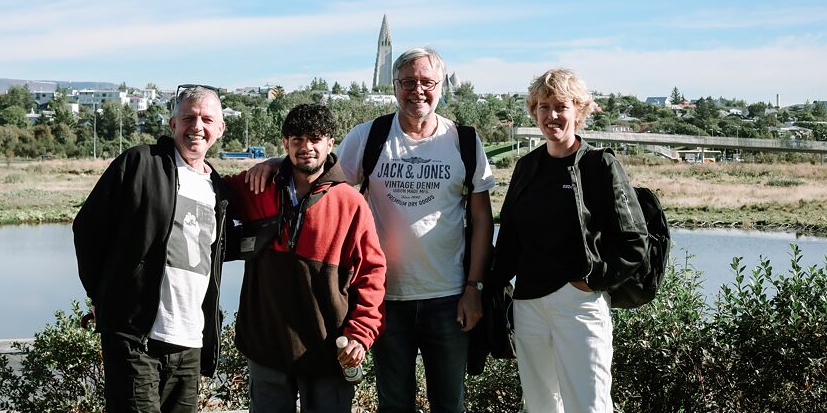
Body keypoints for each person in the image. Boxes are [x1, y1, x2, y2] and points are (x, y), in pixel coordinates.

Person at [247, 47, 495, 413]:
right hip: (386, 302)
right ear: (394, 86)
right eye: (408, 82)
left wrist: (473, 289)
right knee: (393, 404)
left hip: (448, 298)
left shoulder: (464, 141)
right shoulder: (371, 136)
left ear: (441, 85)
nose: (418, 90)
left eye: (427, 81)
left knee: (450, 404)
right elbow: (323, 181)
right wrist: (278, 162)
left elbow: (482, 221)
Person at [493, 69, 649, 413]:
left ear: (579, 110)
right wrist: (485, 289)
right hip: (529, 305)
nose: (552, 116)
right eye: (543, 106)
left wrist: (590, 282)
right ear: (534, 112)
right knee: (540, 405)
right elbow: (509, 241)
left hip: (579, 305)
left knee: (588, 405)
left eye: (561, 106)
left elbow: (636, 242)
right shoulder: (526, 167)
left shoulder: (599, 165)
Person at [73, 85, 231, 413]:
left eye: (206, 119)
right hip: (137, 338)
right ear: (173, 123)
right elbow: (87, 229)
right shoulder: (141, 163)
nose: (197, 126)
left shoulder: (217, 188)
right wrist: (103, 297)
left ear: (220, 128)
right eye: (188, 117)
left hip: (189, 343)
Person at [224, 103, 386, 413]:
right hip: (267, 346)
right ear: (284, 143)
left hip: (329, 349)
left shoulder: (350, 203)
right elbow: (210, 193)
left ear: (330, 142)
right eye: (296, 139)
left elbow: (372, 273)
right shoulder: (260, 187)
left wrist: (361, 333)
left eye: (315, 138)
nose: (306, 147)